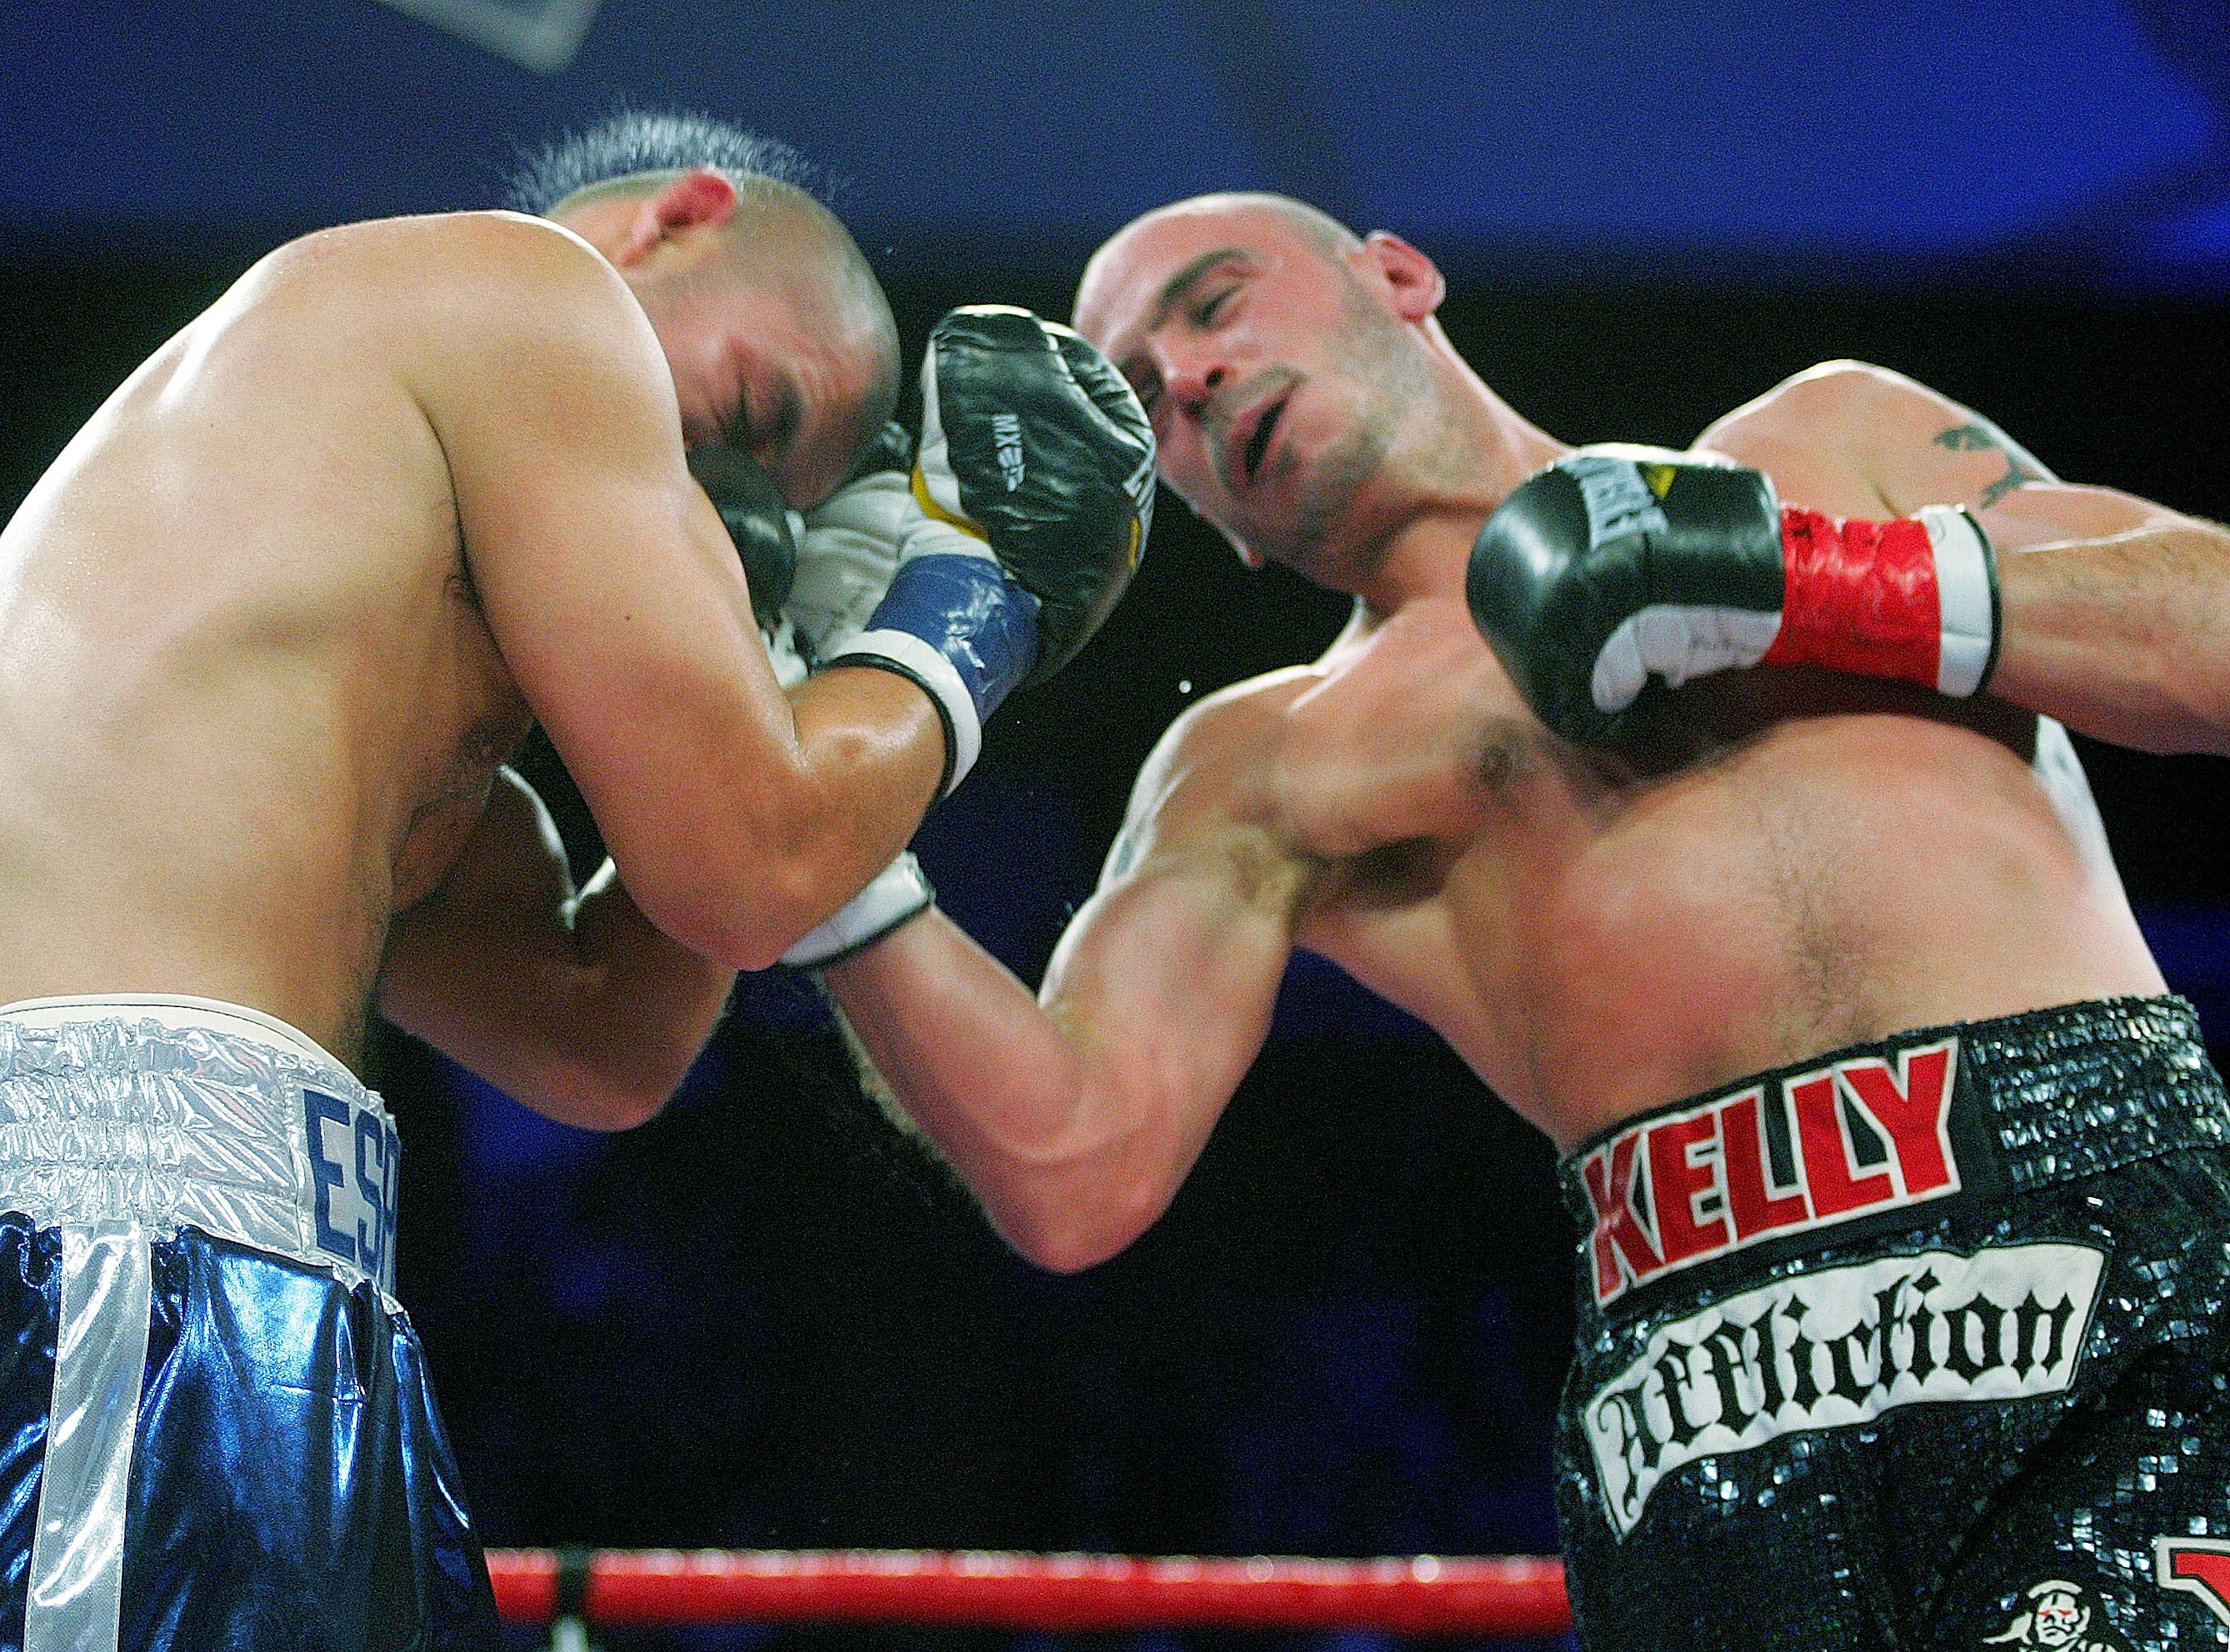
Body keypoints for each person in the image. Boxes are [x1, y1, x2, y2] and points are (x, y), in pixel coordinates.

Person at [0, 112, 1151, 1652]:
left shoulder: (350, 636)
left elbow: (600, 1030)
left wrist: (803, 660)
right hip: (107, 1267)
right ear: (684, 216)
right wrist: (974, 601)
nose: (712, 497)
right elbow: (758, 862)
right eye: (751, 412)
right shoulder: (519, 294)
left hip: (254, 1290)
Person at [798, 191, 2230, 1649]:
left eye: (1215, 304)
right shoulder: (1265, 766)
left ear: (1402, 276)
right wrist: (825, 851)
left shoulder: (1829, 439)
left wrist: (1802, 581)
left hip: (2108, 1251)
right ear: (1212, 526)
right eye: (1149, 405)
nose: (1189, 379)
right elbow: (1074, 1165)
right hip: (1709, 1401)